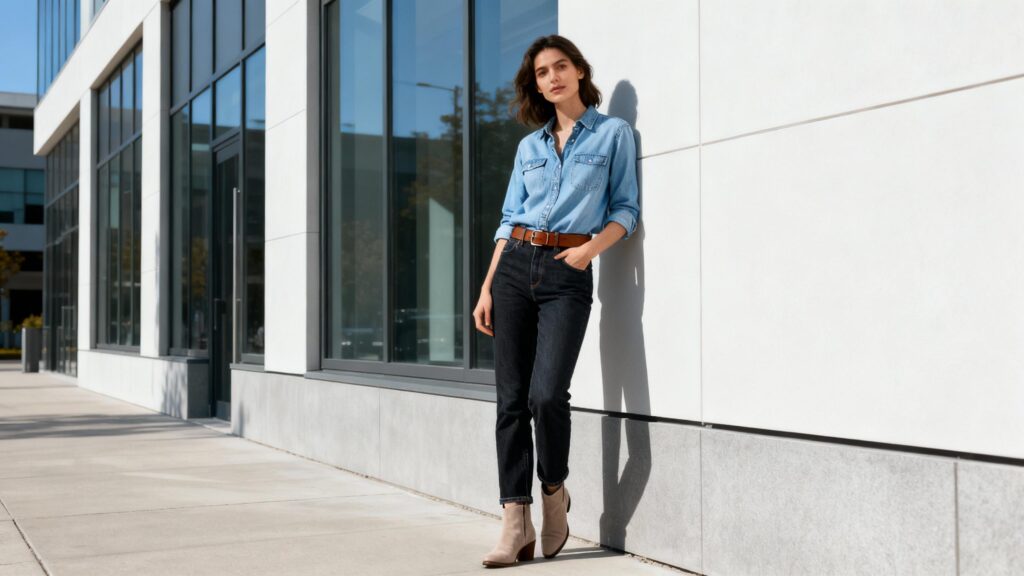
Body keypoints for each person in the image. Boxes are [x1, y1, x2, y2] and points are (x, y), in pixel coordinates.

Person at [473, 34, 640, 568]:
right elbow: (508, 218)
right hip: (515, 267)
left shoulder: (613, 133)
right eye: (543, 73)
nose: (553, 78)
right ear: (537, 85)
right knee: (510, 400)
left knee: (547, 395)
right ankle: (513, 519)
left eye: (560, 66)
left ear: (578, 70)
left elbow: (625, 208)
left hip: (568, 270)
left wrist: (590, 250)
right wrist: (487, 285)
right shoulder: (529, 147)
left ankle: (554, 494)